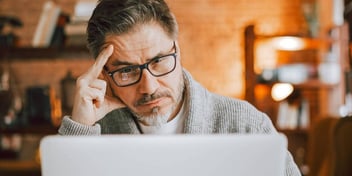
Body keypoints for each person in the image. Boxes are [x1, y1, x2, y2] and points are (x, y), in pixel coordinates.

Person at [58, 0, 301, 175]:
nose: (149, 86)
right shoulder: (94, 132)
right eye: (126, 71)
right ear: (104, 74)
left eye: (159, 61)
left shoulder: (246, 125)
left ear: (177, 49)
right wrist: (80, 130)